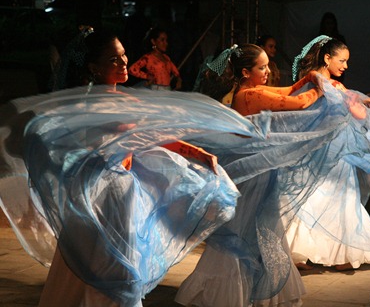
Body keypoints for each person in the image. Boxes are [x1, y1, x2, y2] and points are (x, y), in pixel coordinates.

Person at [0, 30, 269, 307]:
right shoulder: (90, 103)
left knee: (116, 260)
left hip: (121, 189)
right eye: (114, 59)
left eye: (123, 55)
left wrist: (197, 152)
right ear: (94, 68)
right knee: (101, 261)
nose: (124, 62)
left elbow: (155, 133)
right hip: (100, 192)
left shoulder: (127, 98)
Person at [175, 42, 370, 306]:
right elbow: (297, 101)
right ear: (246, 72)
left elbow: (289, 89)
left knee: (262, 227)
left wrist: (310, 78)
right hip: (254, 173)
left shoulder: (253, 90)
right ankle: (230, 292)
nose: (267, 71)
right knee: (248, 228)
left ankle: (261, 291)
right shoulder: (248, 96)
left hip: (260, 170)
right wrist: (320, 88)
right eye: (261, 67)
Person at [285, 35, 370, 271]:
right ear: (327, 58)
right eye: (342, 60)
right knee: (331, 198)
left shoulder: (320, 82)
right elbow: (351, 111)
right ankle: (329, 254)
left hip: (326, 151)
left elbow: (351, 108)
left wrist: (365, 102)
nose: (346, 66)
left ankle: (304, 253)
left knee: (323, 198)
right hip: (326, 152)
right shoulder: (321, 83)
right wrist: (364, 103)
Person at [128, 26, 182, 91]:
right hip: (155, 90)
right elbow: (132, 69)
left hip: (167, 89)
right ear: (153, 41)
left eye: (166, 40)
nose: (166, 43)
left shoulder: (166, 58)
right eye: (162, 40)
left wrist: (179, 79)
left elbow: (175, 71)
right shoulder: (148, 57)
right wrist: (147, 76)